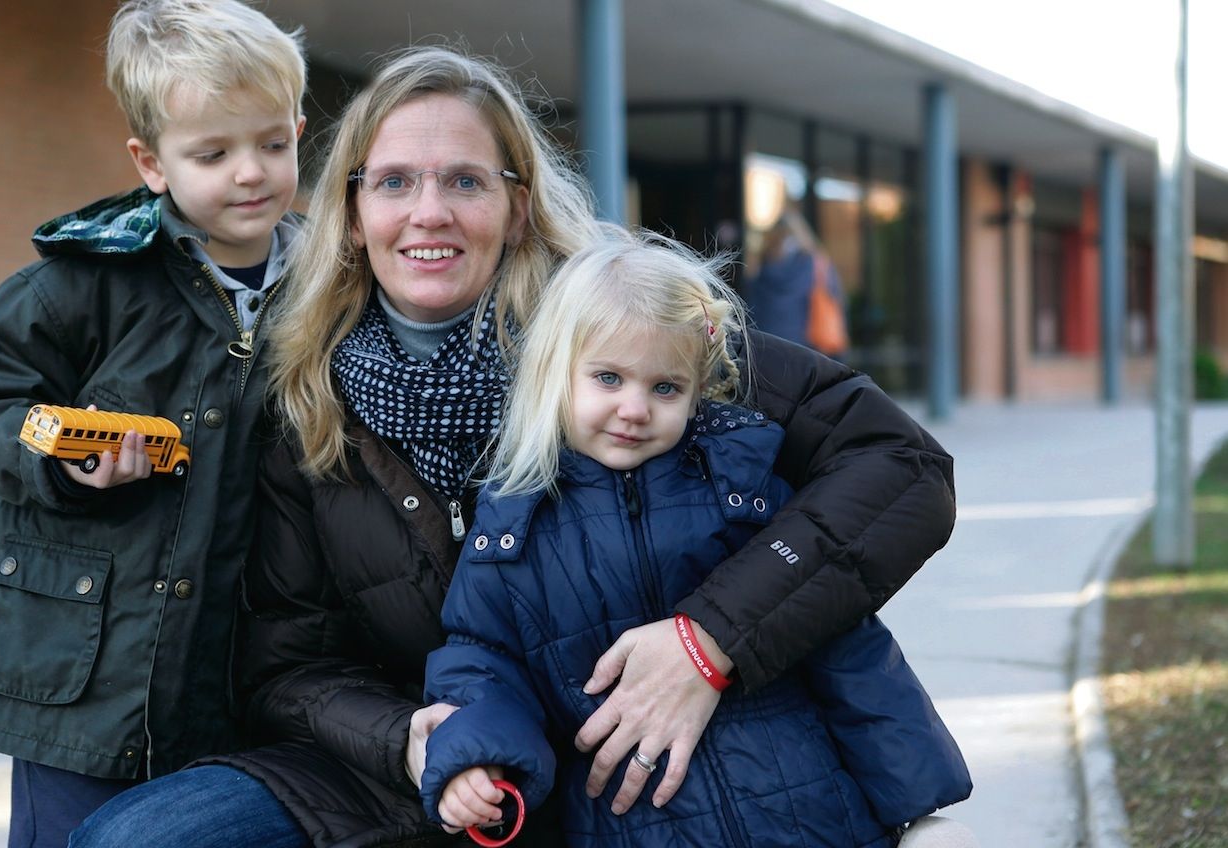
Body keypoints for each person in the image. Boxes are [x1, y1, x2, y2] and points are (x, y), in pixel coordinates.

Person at [71, 44, 956, 848]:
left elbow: (902, 468)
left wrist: (710, 638)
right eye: (394, 182)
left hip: (631, 758)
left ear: (517, 206)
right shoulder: (306, 395)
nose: (429, 213)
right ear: (352, 211)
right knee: (134, 842)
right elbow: (288, 665)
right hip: (428, 761)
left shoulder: (628, 334)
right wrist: (406, 740)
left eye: (464, 181)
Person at [422, 230, 971, 847]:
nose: (635, 409)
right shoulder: (513, 529)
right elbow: (483, 663)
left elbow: (849, 649)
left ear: (697, 391)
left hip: (810, 815)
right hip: (635, 827)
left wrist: (917, 807)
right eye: (608, 378)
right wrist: (476, 758)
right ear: (555, 373)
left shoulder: (741, 489)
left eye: (665, 388)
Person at [0, 1, 306, 845]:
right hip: (83, 671)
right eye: (213, 153)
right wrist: (59, 462)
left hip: (233, 668)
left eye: (272, 144)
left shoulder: (329, 284)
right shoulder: (81, 282)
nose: (250, 173)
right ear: (152, 162)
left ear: (297, 132)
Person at [746, 206, 849, 355]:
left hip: (766, 347)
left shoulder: (760, 269)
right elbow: (835, 298)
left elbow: (751, 309)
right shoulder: (817, 266)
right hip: (806, 349)